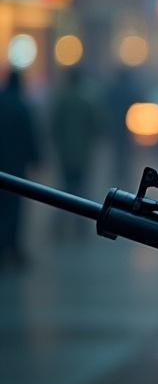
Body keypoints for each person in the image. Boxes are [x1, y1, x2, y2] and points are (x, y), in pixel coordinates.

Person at [49, 67, 102, 236]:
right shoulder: (86, 101)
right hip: (83, 153)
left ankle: (60, 225)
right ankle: (80, 226)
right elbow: (96, 127)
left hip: (65, 153)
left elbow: (53, 127)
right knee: (81, 188)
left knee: (65, 188)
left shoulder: (62, 100)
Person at [0, 68, 42, 268]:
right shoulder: (21, 106)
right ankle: (12, 247)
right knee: (14, 209)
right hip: (16, 166)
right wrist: (36, 158)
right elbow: (29, 134)